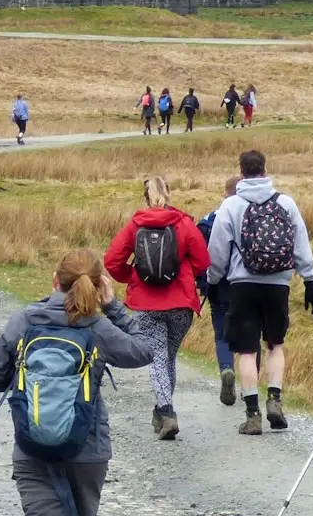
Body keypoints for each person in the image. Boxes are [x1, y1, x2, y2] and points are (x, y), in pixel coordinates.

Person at [0, 249, 153, 516]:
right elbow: (145, 351)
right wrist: (113, 307)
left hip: (31, 448)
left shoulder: (24, 320)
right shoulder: (97, 327)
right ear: (98, 286)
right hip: (87, 450)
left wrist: (26, 377)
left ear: (55, 279)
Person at [204, 150, 313, 435]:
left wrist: (212, 279)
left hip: (242, 284)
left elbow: (217, 250)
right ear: (265, 171)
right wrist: (310, 280)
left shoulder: (231, 205)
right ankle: (275, 400)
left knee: (246, 350)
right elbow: (301, 242)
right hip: (278, 284)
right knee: (274, 345)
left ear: (241, 172)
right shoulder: (286, 203)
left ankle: (253, 414)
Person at [103, 176, 211, 441]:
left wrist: (134, 276)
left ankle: (166, 411)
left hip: (147, 305)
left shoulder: (136, 224)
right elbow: (202, 261)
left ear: (145, 197)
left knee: (158, 359)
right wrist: (184, 276)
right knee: (167, 358)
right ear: (169, 194)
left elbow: (112, 260)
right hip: (181, 304)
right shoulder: (184, 223)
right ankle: (163, 411)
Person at [196, 177, 242, 406]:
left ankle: (226, 370)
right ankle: (249, 388)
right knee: (250, 337)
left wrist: (203, 283)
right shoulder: (251, 214)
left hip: (218, 285)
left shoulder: (210, 219)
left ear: (225, 194)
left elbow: (199, 254)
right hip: (247, 284)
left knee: (222, 336)